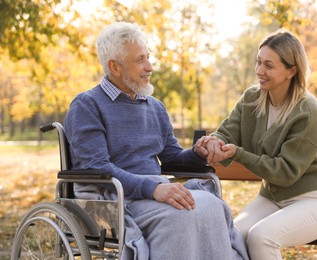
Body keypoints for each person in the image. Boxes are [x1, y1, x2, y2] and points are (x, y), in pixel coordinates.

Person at [64, 22, 248, 260]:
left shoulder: (154, 107)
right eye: (140, 59)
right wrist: (153, 189)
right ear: (115, 67)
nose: (150, 67)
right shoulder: (87, 105)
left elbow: (171, 157)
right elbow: (98, 167)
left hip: (152, 192)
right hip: (111, 198)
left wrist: (197, 153)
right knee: (180, 216)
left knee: (211, 206)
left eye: (148, 58)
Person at [196, 29, 317, 259]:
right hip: (272, 199)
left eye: (269, 66)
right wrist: (213, 142)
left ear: (291, 71)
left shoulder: (308, 112)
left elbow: (285, 173)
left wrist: (239, 154)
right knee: (230, 235)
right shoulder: (252, 98)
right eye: (258, 62)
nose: (259, 71)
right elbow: (227, 132)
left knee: (262, 237)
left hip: (314, 202)